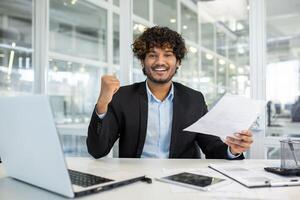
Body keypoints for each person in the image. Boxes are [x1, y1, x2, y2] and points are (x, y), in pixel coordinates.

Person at [87, 26, 253, 159]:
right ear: (142, 62)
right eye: (152, 55)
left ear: (178, 61)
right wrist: (102, 103)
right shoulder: (123, 97)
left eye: (167, 55)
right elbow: (97, 150)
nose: (160, 62)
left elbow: (211, 146)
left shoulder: (194, 99)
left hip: (182, 182)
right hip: (136, 180)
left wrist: (233, 150)